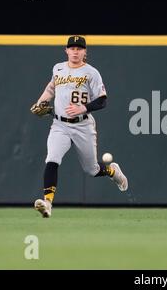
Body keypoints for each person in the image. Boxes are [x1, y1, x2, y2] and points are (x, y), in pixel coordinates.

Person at [30, 35, 128, 218]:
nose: (75, 51)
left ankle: (113, 171)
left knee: (91, 169)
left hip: (83, 126)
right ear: (66, 50)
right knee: (52, 159)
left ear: (85, 52)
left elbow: (102, 101)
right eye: (72, 48)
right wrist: (41, 101)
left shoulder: (91, 72)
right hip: (59, 125)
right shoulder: (58, 68)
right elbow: (51, 88)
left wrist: (84, 107)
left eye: (79, 48)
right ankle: (48, 203)